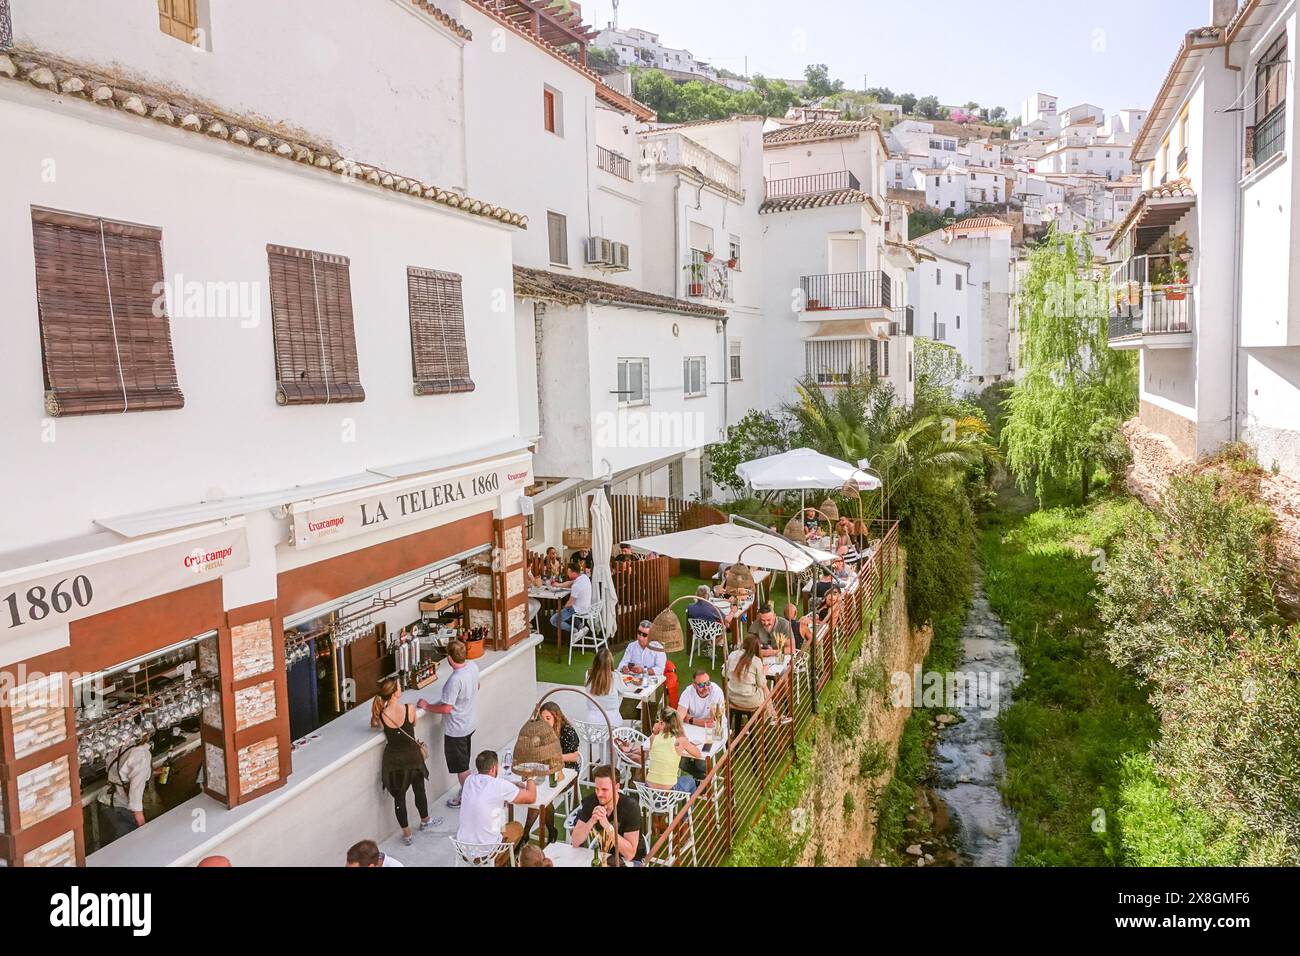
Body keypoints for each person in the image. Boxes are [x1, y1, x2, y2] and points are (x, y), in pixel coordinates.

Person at [372, 677, 434, 845]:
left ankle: (407, 835)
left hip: (394, 761)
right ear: (395, 692)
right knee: (419, 790)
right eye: (399, 686)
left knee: (399, 798)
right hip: (413, 757)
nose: (401, 688)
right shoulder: (409, 709)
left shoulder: (382, 715)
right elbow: (412, 725)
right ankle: (425, 819)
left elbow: (380, 728)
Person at [417, 638, 478, 809]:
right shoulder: (472, 667)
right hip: (470, 722)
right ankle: (468, 791)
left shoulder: (454, 680)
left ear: (449, 658)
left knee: (462, 767)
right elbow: (477, 685)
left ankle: (468, 798)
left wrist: (426, 706)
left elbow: (446, 708)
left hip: (456, 729)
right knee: (465, 761)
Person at [457, 750, 535, 863]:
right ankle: (500, 863)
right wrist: (531, 777)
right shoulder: (499, 786)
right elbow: (531, 797)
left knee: (499, 815)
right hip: (485, 853)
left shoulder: (469, 780)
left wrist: (512, 785)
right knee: (517, 827)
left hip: (463, 849)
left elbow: (491, 789)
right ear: (494, 768)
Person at [570, 765, 646, 865]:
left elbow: (629, 854)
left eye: (604, 790)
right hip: (604, 854)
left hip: (631, 860)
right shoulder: (591, 802)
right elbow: (575, 841)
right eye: (597, 789)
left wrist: (607, 826)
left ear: (617, 787)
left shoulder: (630, 807)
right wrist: (591, 821)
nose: (599, 794)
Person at [97, 732, 153, 845]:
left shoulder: (121, 744)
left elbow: (117, 772)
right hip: (123, 810)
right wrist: (143, 828)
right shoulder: (141, 755)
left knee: (110, 852)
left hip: (106, 802)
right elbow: (135, 799)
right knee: (131, 851)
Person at [645, 709, 703, 794]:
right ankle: (688, 807)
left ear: (662, 723)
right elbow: (698, 754)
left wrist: (655, 732)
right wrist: (683, 734)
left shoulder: (653, 738)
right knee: (690, 780)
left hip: (649, 793)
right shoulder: (680, 740)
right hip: (667, 795)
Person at [725, 635, 769, 733]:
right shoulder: (756, 661)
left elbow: (724, 673)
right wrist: (764, 672)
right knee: (765, 689)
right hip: (749, 701)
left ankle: (747, 725)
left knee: (762, 689)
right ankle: (768, 715)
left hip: (732, 697)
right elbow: (761, 683)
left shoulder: (732, 655)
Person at [549, 560, 591, 638]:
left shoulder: (576, 586)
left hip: (577, 609)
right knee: (565, 612)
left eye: (568, 572)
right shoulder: (584, 577)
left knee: (554, 620)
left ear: (573, 573)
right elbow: (570, 583)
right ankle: (581, 627)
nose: (567, 573)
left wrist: (562, 609)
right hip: (586, 606)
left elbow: (570, 603)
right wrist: (558, 585)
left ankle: (575, 631)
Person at [584, 646, 622, 725]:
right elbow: (624, 691)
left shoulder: (588, 676)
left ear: (595, 662)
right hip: (612, 724)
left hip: (592, 723)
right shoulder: (615, 676)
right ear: (610, 663)